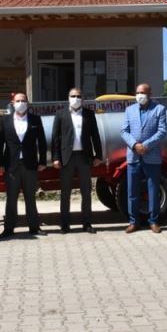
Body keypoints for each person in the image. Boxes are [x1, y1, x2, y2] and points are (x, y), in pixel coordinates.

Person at [0, 91, 47, 237]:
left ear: (28, 103)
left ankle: (34, 227)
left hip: (30, 165)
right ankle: (9, 228)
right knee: (11, 198)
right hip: (11, 165)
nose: (21, 103)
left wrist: (42, 161)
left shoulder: (35, 120)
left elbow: (42, 142)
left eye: (23, 101)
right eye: (18, 101)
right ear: (12, 103)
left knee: (30, 197)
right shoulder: (4, 121)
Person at [52, 87, 103, 234]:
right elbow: (56, 138)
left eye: (79, 96)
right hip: (66, 158)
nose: (76, 99)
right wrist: (56, 158)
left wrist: (98, 155)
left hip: (84, 157)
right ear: (68, 98)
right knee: (65, 192)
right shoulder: (60, 114)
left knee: (86, 192)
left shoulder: (89, 114)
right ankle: (65, 224)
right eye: (73, 96)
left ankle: (87, 223)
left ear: (83, 99)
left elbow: (95, 135)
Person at [120, 83, 167, 234]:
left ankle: (153, 221)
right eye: (137, 92)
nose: (139, 95)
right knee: (132, 190)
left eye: (143, 92)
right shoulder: (129, 110)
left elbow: (162, 131)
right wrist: (134, 145)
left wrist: (145, 145)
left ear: (150, 93)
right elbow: (124, 131)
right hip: (133, 156)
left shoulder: (159, 109)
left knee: (153, 190)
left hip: (151, 156)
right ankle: (134, 222)